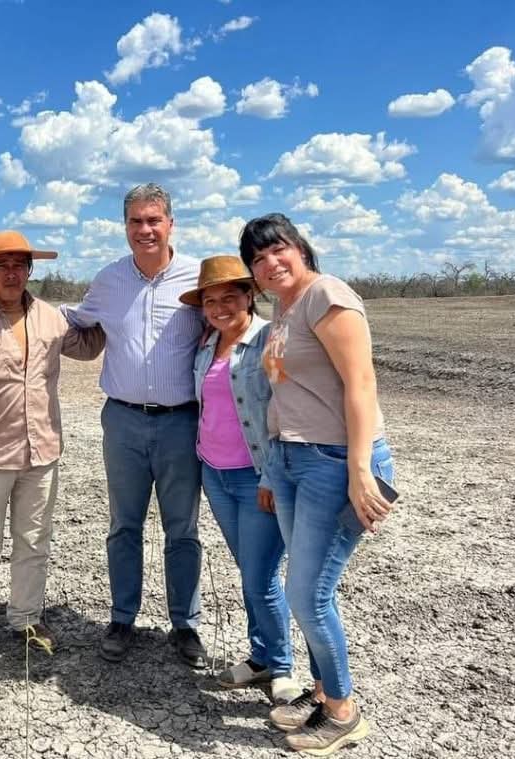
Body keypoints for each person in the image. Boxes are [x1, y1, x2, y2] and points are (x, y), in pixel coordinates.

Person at [238, 213, 395, 755]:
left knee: (308, 593)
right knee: (303, 585)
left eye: (276, 250)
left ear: (300, 248)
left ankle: (343, 711)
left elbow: (361, 382)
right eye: (256, 260)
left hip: (333, 461)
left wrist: (358, 470)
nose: (268, 264)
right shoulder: (284, 310)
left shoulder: (326, 294)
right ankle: (324, 689)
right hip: (290, 460)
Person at [0, 230, 105, 668]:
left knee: (33, 542)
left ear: (30, 271)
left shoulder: (52, 318)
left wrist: (111, 309)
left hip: (41, 454)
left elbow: (87, 348)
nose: (11, 273)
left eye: (19, 265)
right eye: (1, 266)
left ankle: (26, 617)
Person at [61, 183, 208, 668]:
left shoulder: (197, 279)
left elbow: (229, 326)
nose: (144, 230)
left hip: (181, 422)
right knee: (124, 525)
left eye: (153, 220)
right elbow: (76, 322)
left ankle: (184, 624)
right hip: (122, 420)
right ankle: (122, 617)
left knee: (182, 528)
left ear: (171, 223)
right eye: (135, 222)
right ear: (124, 227)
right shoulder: (108, 280)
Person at [180, 255, 302, 705]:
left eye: (229, 296)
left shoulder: (271, 339)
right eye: (210, 299)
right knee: (250, 571)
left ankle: (282, 667)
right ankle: (260, 656)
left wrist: (273, 475)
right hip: (215, 474)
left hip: (258, 478)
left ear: (249, 296)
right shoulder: (205, 344)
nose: (218, 306)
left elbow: (288, 409)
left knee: (262, 575)